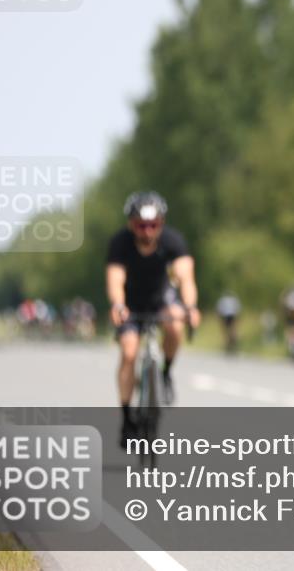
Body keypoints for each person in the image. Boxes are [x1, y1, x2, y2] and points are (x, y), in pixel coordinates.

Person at [106, 191, 201, 448]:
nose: (147, 231)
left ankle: (166, 372)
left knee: (175, 325)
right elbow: (116, 280)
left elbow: (186, 279)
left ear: (162, 223)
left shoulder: (173, 241)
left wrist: (190, 307)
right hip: (131, 304)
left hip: (161, 301)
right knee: (128, 352)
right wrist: (117, 305)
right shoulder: (120, 243)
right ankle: (127, 419)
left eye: (153, 225)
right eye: (141, 225)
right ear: (131, 224)